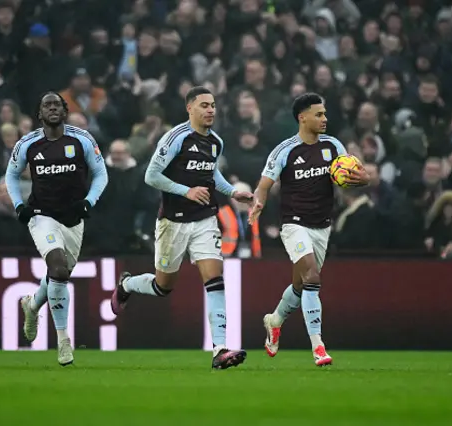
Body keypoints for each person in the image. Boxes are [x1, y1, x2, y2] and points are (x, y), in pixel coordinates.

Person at [110, 86, 253, 369]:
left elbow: (213, 175)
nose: (210, 110)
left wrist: (233, 192)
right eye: (204, 105)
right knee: (163, 286)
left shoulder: (216, 142)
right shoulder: (176, 138)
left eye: (212, 105)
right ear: (190, 109)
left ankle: (220, 349)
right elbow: (151, 175)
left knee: (215, 280)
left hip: (204, 220)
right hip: (172, 222)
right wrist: (186, 191)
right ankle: (126, 284)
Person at [248, 93, 370, 366]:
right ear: (302, 117)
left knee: (301, 285)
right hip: (294, 224)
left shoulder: (333, 146)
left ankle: (275, 320)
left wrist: (364, 178)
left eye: (325, 114)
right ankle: (318, 346)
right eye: (319, 114)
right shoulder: (285, 150)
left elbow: (357, 174)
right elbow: (264, 184)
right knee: (312, 277)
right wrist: (258, 203)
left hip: (321, 226)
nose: (324, 119)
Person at [5, 92, 108, 366]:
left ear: (65, 110)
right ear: (39, 114)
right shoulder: (28, 143)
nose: (52, 109)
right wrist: (18, 204)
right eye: (46, 106)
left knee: (59, 275)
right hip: (42, 216)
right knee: (59, 269)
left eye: (57, 105)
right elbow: (11, 175)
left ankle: (32, 304)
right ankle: (63, 341)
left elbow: (101, 173)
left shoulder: (82, 139)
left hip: (74, 218)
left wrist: (89, 201)